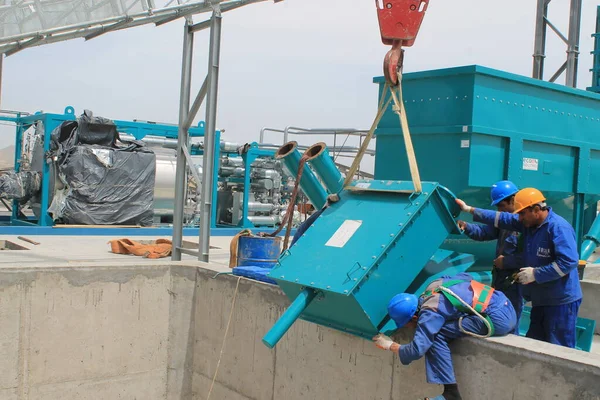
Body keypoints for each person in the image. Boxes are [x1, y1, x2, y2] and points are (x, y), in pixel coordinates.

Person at [455, 187, 582, 348]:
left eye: (522, 213)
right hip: (541, 298)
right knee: (536, 345)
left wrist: (536, 274)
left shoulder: (558, 228)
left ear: (536, 209)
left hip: (560, 301)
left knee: (559, 347)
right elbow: (502, 219)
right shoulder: (529, 224)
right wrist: (469, 210)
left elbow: (569, 262)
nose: (519, 218)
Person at [372, 272, 517, 400]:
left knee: (436, 335)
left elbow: (418, 349)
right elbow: (466, 276)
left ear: (414, 318)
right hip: (506, 304)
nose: (409, 327)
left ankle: (451, 394)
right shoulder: (435, 285)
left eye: (407, 324)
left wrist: (390, 345)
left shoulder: (430, 312)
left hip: (498, 320)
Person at [457, 180, 524, 333]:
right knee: (499, 314)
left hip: (516, 282)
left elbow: (531, 257)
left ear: (513, 200)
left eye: (502, 206)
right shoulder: (505, 222)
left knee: (511, 319)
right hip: (501, 279)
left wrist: (507, 262)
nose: (500, 210)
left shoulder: (525, 224)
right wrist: (467, 227)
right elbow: (484, 233)